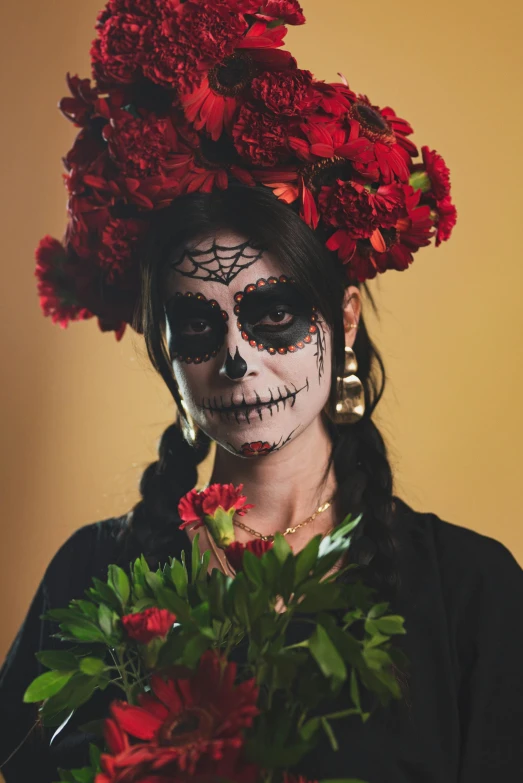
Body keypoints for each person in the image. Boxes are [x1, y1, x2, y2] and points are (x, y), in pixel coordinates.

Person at [2, 1, 523, 781]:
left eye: (274, 313)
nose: (239, 359)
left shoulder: (471, 591)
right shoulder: (90, 575)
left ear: (342, 319)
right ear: (165, 351)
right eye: (197, 324)